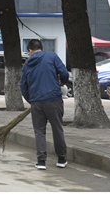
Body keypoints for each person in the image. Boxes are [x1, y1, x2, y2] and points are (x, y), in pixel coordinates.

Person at [20, 39, 69, 170]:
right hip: (53, 100)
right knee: (57, 128)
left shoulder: (26, 65)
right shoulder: (52, 56)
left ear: (30, 50)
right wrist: (63, 82)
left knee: (39, 131)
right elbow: (64, 73)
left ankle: (41, 161)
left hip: (37, 102)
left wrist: (32, 100)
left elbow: (23, 86)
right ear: (41, 48)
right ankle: (61, 159)